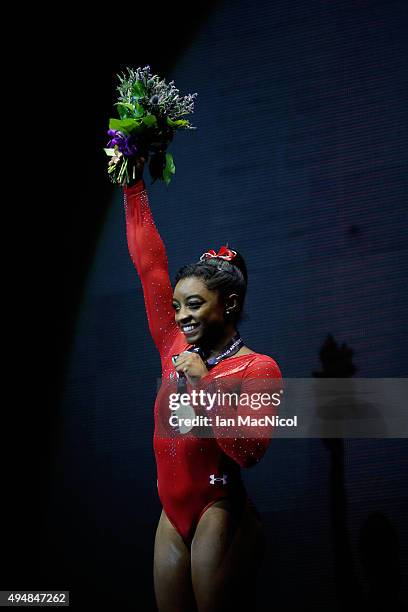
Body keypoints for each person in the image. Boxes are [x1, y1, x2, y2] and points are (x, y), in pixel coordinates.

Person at [122, 158, 282, 612]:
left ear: (229, 305)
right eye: (176, 306)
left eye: (194, 304)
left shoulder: (259, 368)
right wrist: (132, 184)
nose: (182, 316)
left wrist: (204, 384)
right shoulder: (172, 342)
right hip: (170, 515)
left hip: (220, 509)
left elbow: (250, 452)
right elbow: (149, 264)